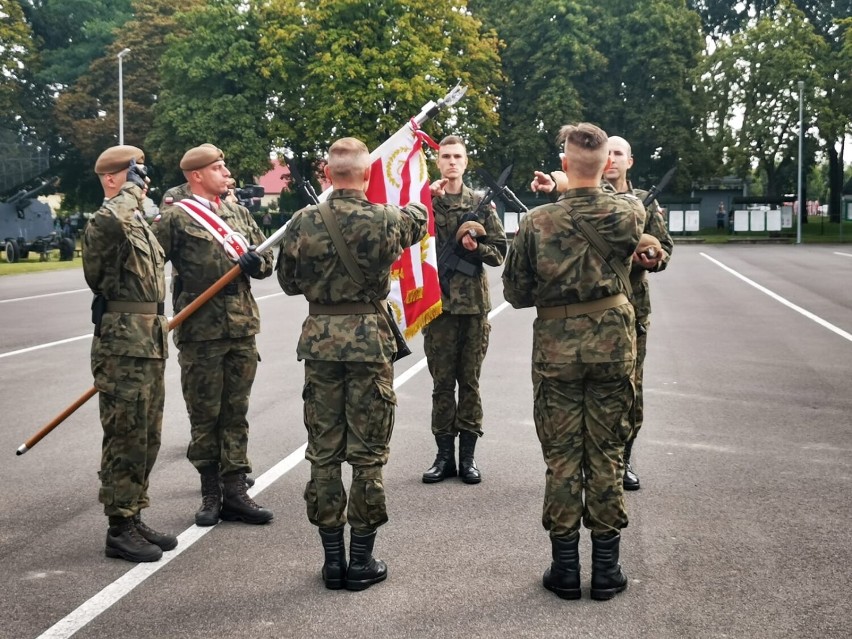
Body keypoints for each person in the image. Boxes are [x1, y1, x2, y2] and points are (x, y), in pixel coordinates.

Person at [503, 123, 659, 601]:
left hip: (557, 351)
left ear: (566, 166)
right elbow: (647, 254)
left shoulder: (537, 221)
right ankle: (607, 571)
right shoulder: (631, 213)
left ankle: (566, 569)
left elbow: (515, 292)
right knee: (608, 453)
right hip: (614, 345)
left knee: (564, 457)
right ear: (603, 164)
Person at [277, 137, 427, 591]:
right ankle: (361, 563)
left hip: (321, 343)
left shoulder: (302, 222)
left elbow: (286, 283)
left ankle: (332, 561)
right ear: (366, 176)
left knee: (324, 453)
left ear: (326, 174)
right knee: (367, 455)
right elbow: (418, 219)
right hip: (368, 343)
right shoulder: (385, 220)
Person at [153, 144, 273, 527]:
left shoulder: (238, 213)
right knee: (205, 414)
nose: (227, 173)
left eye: (225, 166)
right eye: (219, 168)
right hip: (200, 329)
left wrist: (257, 263)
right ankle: (211, 491)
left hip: (241, 326)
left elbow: (267, 262)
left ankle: (236, 490)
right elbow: (150, 264)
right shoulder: (175, 218)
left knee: (235, 411)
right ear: (196, 175)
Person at [82, 145, 176, 563]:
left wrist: (134, 198)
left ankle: (133, 513)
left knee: (147, 436)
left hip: (147, 340)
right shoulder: (106, 221)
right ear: (112, 179)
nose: (144, 181)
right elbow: (108, 220)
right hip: (122, 346)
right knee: (125, 434)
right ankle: (118, 526)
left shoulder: (136, 223)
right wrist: (129, 193)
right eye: (135, 173)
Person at [421, 135, 507, 484]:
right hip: (438, 307)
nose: (452, 162)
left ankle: (468, 458)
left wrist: (475, 248)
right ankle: (444, 458)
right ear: (438, 162)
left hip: (472, 307)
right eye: (446, 156)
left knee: (469, 383)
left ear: (466, 162)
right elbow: (408, 243)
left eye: (458, 156)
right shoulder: (426, 202)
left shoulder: (480, 204)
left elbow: (499, 251)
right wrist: (425, 202)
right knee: (442, 384)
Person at [603, 136, 673, 491]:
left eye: (619, 153)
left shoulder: (647, 201)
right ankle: (597, 461)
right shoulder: (592, 201)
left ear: (630, 161)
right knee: (598, 390)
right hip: (597, 311)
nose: (612, 159)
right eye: (608, 153)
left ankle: (624, 460)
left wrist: (654, 257)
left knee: (631, 389)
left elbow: (665, 249)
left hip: (633, 312)